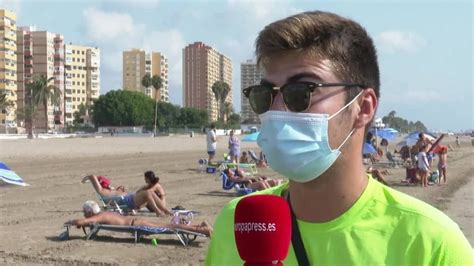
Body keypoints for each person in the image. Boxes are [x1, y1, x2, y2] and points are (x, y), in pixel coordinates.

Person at [205, 11, 472, 265]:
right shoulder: (238, 223)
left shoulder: (430, 242)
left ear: (363, 107)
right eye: (264, 96)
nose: (276, 111)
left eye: (301, 92)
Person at [65, 201, 212, 237]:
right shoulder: (104, 213)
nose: (84, 215)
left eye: (85, 212)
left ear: (90, 212)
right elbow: (86, 222)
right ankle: (199, 226)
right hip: (136, 222)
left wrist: (72, 222)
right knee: (168, 225)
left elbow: (83, 222)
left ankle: (203, 230)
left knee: (170, 227)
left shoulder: (99, 216)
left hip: (137, 225)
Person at [82, 172, 172, 217]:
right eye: (106, 184)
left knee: (150, 192)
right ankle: (158, 211)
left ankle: (165, 210)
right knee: (148, 192)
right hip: (129, 201)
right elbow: (92, 176)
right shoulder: (102, 191)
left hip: (130, 199)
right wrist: (85, 179)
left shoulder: (110, 190)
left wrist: (121, 190)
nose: (108, 185)